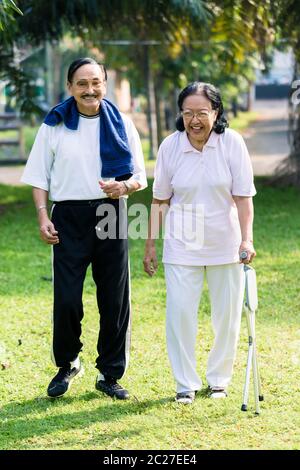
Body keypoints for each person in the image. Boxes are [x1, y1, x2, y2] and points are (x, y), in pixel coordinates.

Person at [21, 57, 147, 399]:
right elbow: (37, 176)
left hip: (111, 213)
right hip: (68, 217)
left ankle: (109, 373)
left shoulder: (121, 122)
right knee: (66, 298)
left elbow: (139, 176)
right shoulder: (55, 124)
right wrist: (42, 215)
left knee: (114, 299)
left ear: (105, 84)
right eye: (82, 83)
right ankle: (68, 363)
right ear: (70, 87)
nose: (89, 89)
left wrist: (124, 188)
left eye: (96, 82)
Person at [144, 82, 256, 405]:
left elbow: (244, 197)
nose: (195, 120)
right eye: (188, 113)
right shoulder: (170, 147)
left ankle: (219, 380)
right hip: (181, 244)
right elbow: (160, 200)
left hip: (226, 243)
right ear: (181, 114)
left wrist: (247, 239)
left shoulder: (232, 143)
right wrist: (150, 245)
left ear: (216, 112)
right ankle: (185, 383)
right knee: (180, 314)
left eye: (202, 113)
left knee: (227, 315)